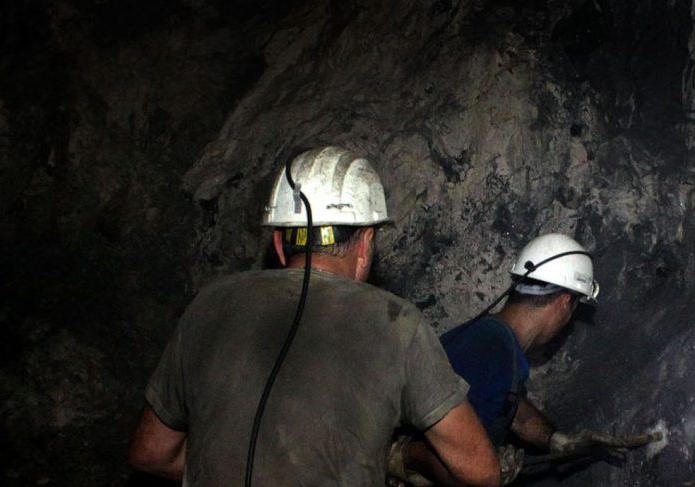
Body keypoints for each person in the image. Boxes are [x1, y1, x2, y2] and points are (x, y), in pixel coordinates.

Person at [128, 146, 501, 486]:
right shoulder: (398, 323)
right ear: (365, 244)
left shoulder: (208, 305)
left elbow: (150, 453)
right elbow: (481, 472)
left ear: (278, 243)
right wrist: (390, 460)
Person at [391, 234, 625, 486]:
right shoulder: (492, 351)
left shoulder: (495, 343)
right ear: (564, 301)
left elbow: (512, 410)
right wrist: (486, 471)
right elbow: (431, 446)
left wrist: (556, 440)